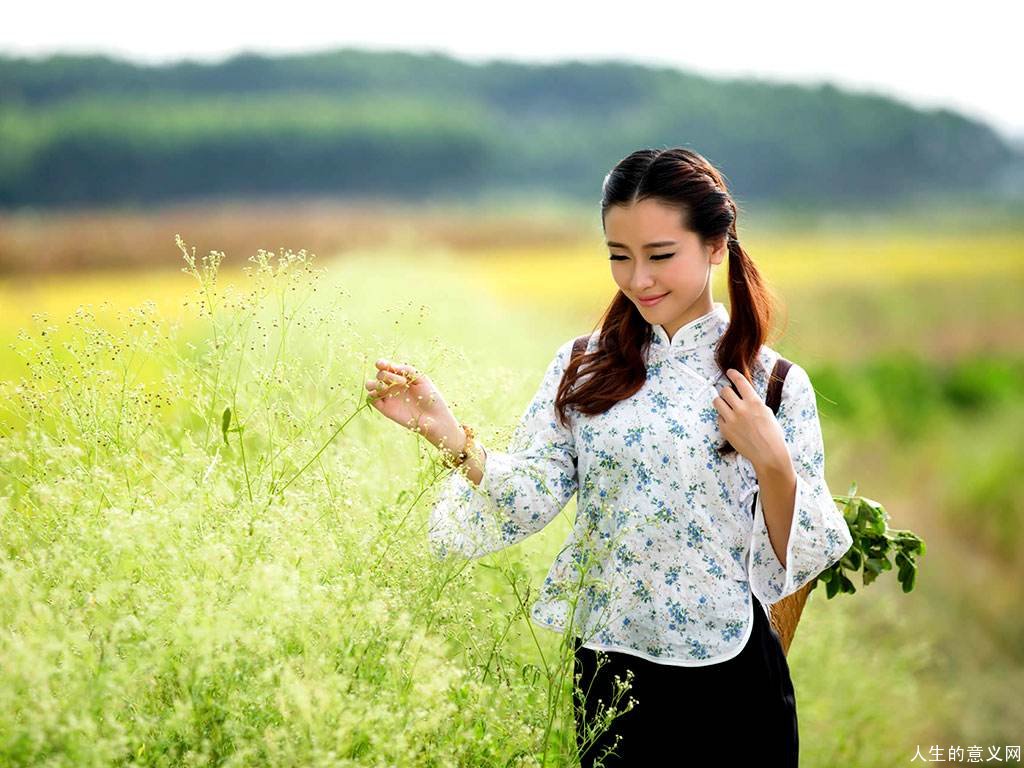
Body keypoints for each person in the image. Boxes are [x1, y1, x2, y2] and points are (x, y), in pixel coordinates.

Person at [365, 147, 853, 766]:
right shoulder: (585, 364)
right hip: (609, 667)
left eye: (659, 255)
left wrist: (774, 463)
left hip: (732, 675)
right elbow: (536, 493)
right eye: (619, 257)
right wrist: (448, 435)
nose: (638, 279)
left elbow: (800, 556)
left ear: (714, 244)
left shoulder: (774, 383)